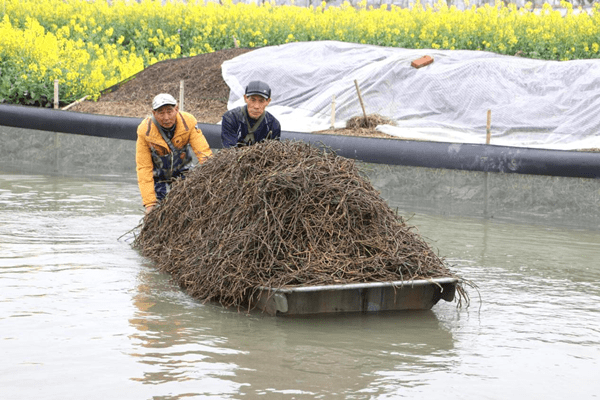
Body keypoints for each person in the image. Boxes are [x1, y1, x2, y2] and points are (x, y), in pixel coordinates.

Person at [136, 93, 212, 213]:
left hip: (183, 171)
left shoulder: (188, 121)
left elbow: (204, 153)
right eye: (161, 112)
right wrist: (149, 203)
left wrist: (212, 180)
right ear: (153, 113)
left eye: (169, 111)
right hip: (159, 176)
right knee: (157, 212)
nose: (166, 117)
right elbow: (144, 168)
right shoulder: (145, 130)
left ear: (176, 109)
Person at [221, 80, 281, 148]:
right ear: (245, 98)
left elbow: (273, 153)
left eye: (261, 101)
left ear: (268, 102)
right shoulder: (231, 118)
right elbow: (229, 150)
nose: (256, 106)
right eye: (253, 100)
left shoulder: (273, 124)